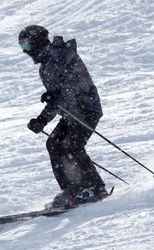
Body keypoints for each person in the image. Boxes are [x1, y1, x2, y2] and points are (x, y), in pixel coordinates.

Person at [18, 25, 110, 208]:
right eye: (23, 47)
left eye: (27, 45)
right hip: (70, 113)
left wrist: (58, 94)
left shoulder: (63, 55)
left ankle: (95, 188)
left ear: (39, 41)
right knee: (53, 144)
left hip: (86, 108)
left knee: (72, 145)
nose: (25, 51)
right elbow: (56, 101)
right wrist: (41, 120)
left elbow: (79, 83)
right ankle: (72, 190)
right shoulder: (44, 68)